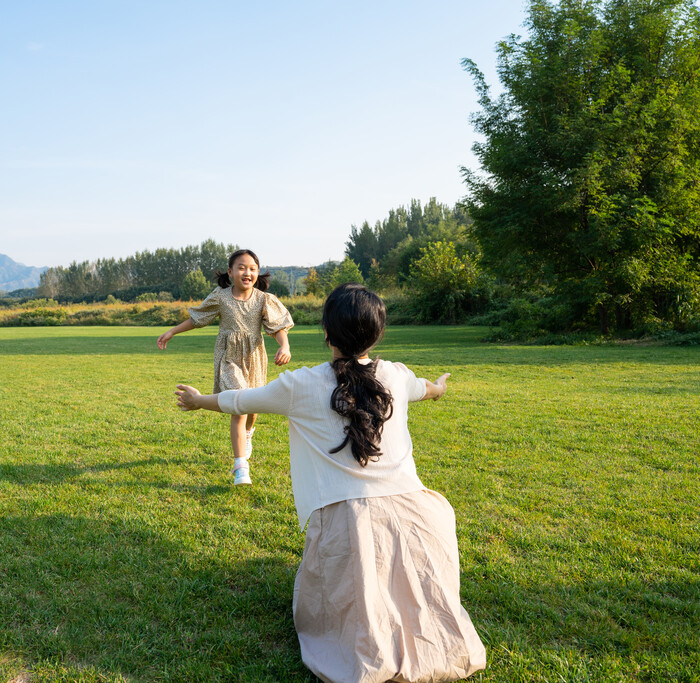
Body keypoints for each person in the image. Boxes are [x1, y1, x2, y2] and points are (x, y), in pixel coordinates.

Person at [174, 283, 486, 683]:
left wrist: (199, 400)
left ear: (326, 333)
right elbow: (427, 389)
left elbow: (241, 400)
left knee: (357, 609)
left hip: (347, 527)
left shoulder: (300, 385)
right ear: (378, 333)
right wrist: (440, 387)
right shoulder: (397, 375)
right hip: (423, 521)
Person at [157, 248, 294, 486]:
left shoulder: (263, 300)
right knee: (238, 405)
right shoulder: (221, 297)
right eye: (241, 267)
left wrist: (285, 346)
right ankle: (241, 467)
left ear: (258, 273)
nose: (247, 272)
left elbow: (277, 327)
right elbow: (198, 318)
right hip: (229, 358)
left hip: (254, 358)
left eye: (252, 268)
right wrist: (172, 331)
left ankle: (248, 435)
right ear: (230, 272)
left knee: (252, 409)